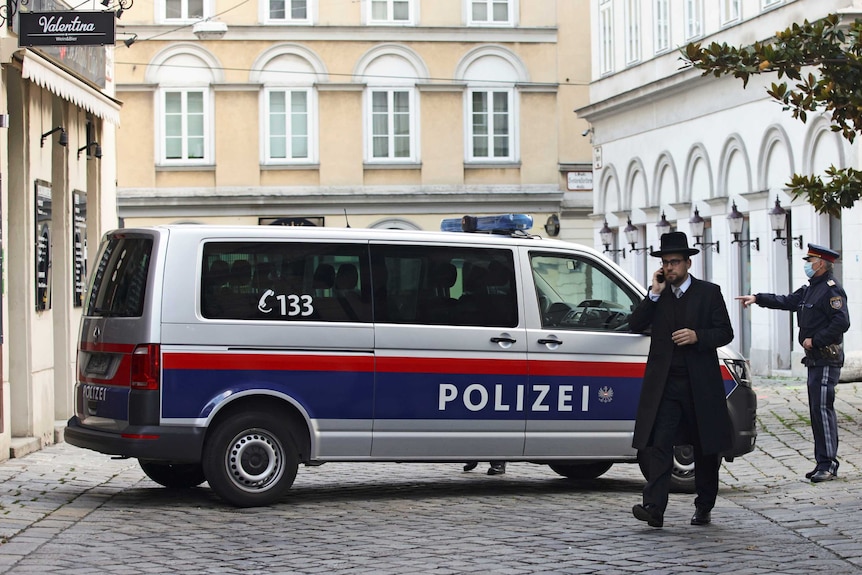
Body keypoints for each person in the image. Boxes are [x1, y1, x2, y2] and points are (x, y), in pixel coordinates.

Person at [629, 231, 735, 528]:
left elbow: (725, 332)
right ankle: (654, 508)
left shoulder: (709, 293)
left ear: (688, 263)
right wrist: (652, 293)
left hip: (699, 384)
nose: (669, 268)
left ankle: (703, 505)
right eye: (665, 262)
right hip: (665, 386)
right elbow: (635, 323)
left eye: (675, 262)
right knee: (659, 445)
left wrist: (697, 336)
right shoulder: (658, 295)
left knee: (704, 446)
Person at [737, 243, 850, 483]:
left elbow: (842, 322)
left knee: (822, 410)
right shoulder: (811, 289)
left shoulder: (831, 290)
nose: (807, 265)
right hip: (815, 360)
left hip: (826, 358)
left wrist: (815, 340)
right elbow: (786, 301)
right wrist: (757, 298)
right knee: (816, 411)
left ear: (821, 263)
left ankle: (828, 463)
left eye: (810, 261)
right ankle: (823, 461)